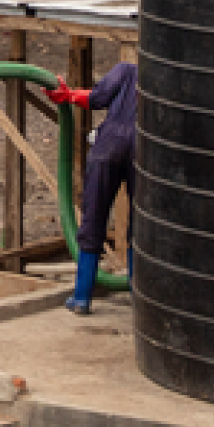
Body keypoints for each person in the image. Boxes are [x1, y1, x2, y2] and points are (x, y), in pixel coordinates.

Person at [50, 60, 139, 315]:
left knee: (93, 220)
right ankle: (138, 298)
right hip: (143, 151)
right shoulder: (166, 80)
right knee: (142, 227)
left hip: (106, 149)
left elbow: (97, 98)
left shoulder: (125, 70)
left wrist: (67, 95)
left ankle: (81, 297)